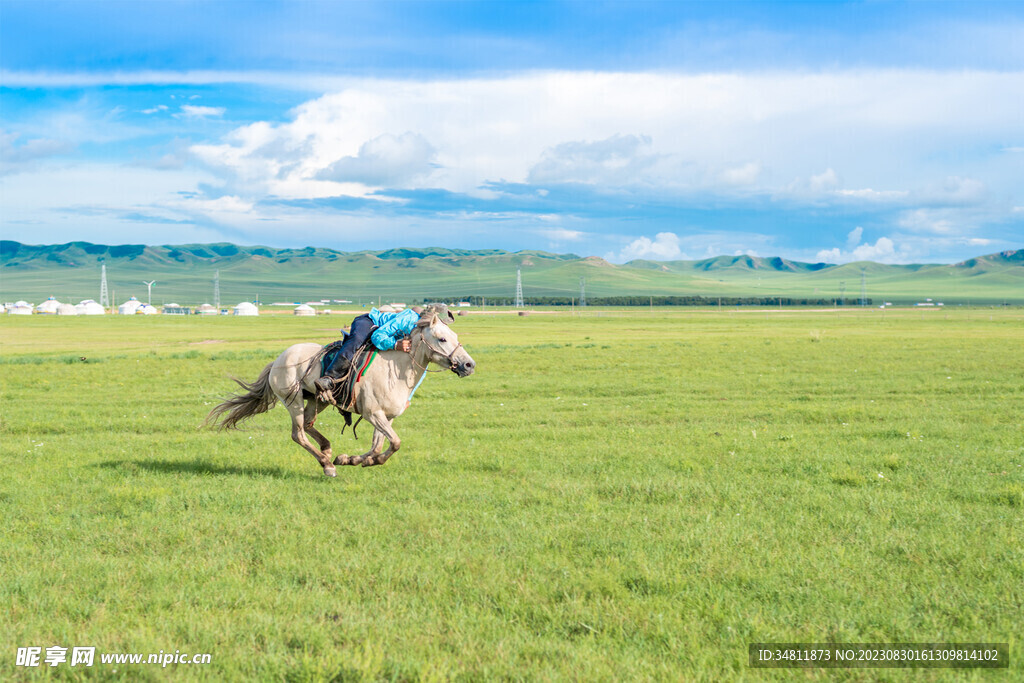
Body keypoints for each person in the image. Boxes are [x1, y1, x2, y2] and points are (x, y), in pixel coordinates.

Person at [315, 306, 423, 394]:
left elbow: (421, 369)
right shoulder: (408, 319)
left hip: (385, 333)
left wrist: (408, 398)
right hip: (370, 322)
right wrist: (395, 344)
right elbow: (378, 336)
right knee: (357, 340)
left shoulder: (423, 336)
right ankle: (330, 377)